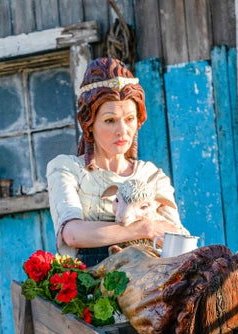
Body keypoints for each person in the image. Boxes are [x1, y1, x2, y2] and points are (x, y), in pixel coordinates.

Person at [47, 57, 186, 266]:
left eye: (129, 119)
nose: (122, 130)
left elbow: (177, 238)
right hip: (91, 278)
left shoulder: (152, 176)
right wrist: (145, 228)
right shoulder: (68, 169)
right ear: (89, 124)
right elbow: (72, 234)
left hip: (149, 276)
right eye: (110, 120)